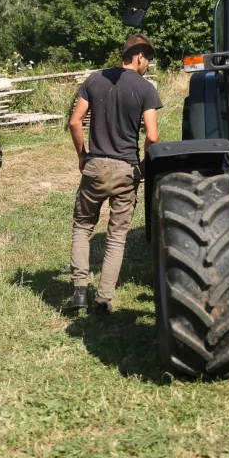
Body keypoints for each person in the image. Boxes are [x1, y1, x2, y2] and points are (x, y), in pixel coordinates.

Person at [63, 33, 163, 313]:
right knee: (116, 236)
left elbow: (74, 122)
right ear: (140, 55)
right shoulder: (145, 89)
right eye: (149, 60)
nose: (148, 66)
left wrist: (82, 156)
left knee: (82, 227)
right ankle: (103, 300)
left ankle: (80, 291)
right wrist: (142, 165)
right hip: (125, 170)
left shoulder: (94, 80)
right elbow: (153, 136)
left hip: (95, 166)